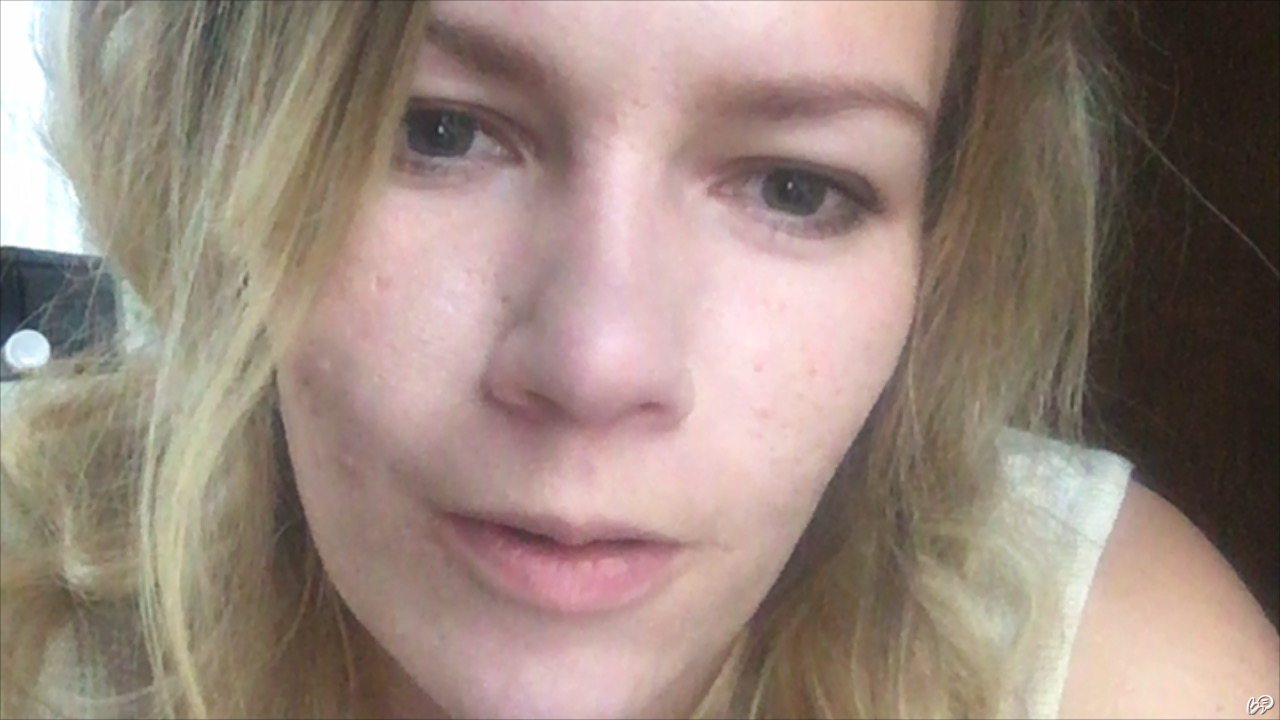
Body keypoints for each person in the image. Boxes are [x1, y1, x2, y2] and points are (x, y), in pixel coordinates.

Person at [1, 1, 1276, 718]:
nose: (595, 364)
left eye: (795, 187)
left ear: (935, 259)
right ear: (215, 149)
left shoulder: (1116, 674)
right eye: (436, 130)